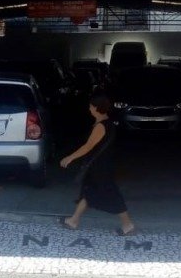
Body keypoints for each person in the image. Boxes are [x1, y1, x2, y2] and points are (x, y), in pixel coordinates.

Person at [58, 92, 136, 235]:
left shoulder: (101, 126)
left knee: (111, 194)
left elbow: (88, 146)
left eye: (90, 106)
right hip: (100, 165)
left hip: (100, 167)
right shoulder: (107, 123)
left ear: (96, 108)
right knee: (89, 191)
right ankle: (73, 220)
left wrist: (70, 157)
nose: (89, 109)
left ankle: (128, 224)